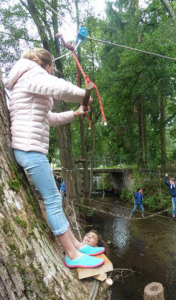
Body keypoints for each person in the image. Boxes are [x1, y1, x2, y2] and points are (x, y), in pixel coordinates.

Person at [5, 48, 104, 268]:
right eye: (51, 69)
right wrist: (83, 94)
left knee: (54, 201)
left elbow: (47, 117)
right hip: (29, 149)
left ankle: (77, 245)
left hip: (31, 148)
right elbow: (59, 88)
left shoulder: (27, 80)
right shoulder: (31, 73)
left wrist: (75, 113)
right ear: (46, 65)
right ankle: (71, 254)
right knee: (52, 200)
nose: (50, 73)